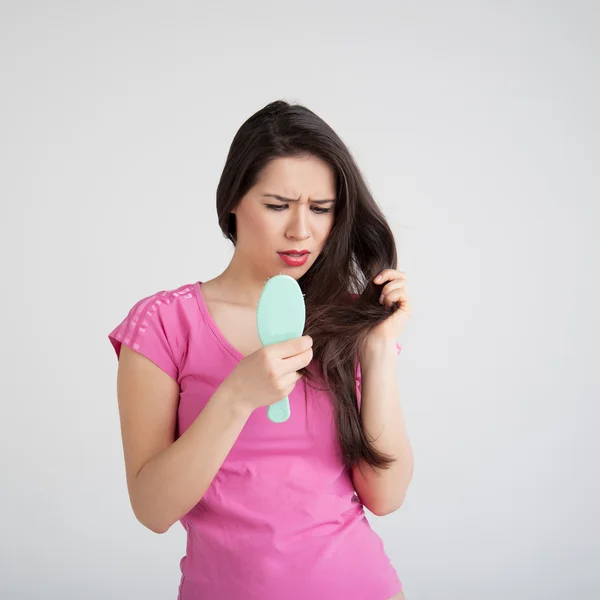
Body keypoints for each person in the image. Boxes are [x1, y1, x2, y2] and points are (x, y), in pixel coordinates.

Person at [108, 100, 414, 600]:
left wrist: (378, 350)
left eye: (321, 209)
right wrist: (235, 398)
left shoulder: (350, 321)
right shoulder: (164, 324)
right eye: (277, 206)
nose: (301, 231)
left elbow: (386, 496)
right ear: (232, 201)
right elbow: (152, 509)